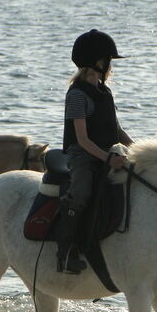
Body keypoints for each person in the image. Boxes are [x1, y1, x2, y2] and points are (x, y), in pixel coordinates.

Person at [58, 29, 133, 274]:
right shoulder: (77, 95)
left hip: (108, 151)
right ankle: (65, 253)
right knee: (81, 191)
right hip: (82, 155)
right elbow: (82, 139)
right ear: (98, 63)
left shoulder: (104, 92)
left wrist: (140, 151)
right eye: (109, 61)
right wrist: (108, 158)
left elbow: (117, 129)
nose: (111, 66)